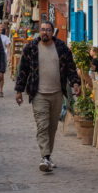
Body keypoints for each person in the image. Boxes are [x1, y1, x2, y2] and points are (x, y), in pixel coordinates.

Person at [14, 21, 81, 173]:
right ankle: (44, 156)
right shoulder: (31, 48)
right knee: (42, 126)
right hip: (38, 94)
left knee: (52, 127)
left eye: (48, 30)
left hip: (57, 93)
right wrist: (19, 90)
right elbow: (22, 70)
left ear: (53, 32)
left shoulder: (62, 48)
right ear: (39, 31)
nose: (45, 32)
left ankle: (48, 157)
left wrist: (75, 83)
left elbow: (71, 67)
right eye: (43, 30)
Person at [0, 22, 11, 97]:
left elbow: (8, 47)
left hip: (2, 57)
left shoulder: (5, 37)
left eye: (1, 27)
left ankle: (1, 90)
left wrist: (9, 56)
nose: (0, 28)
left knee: (1, 75)